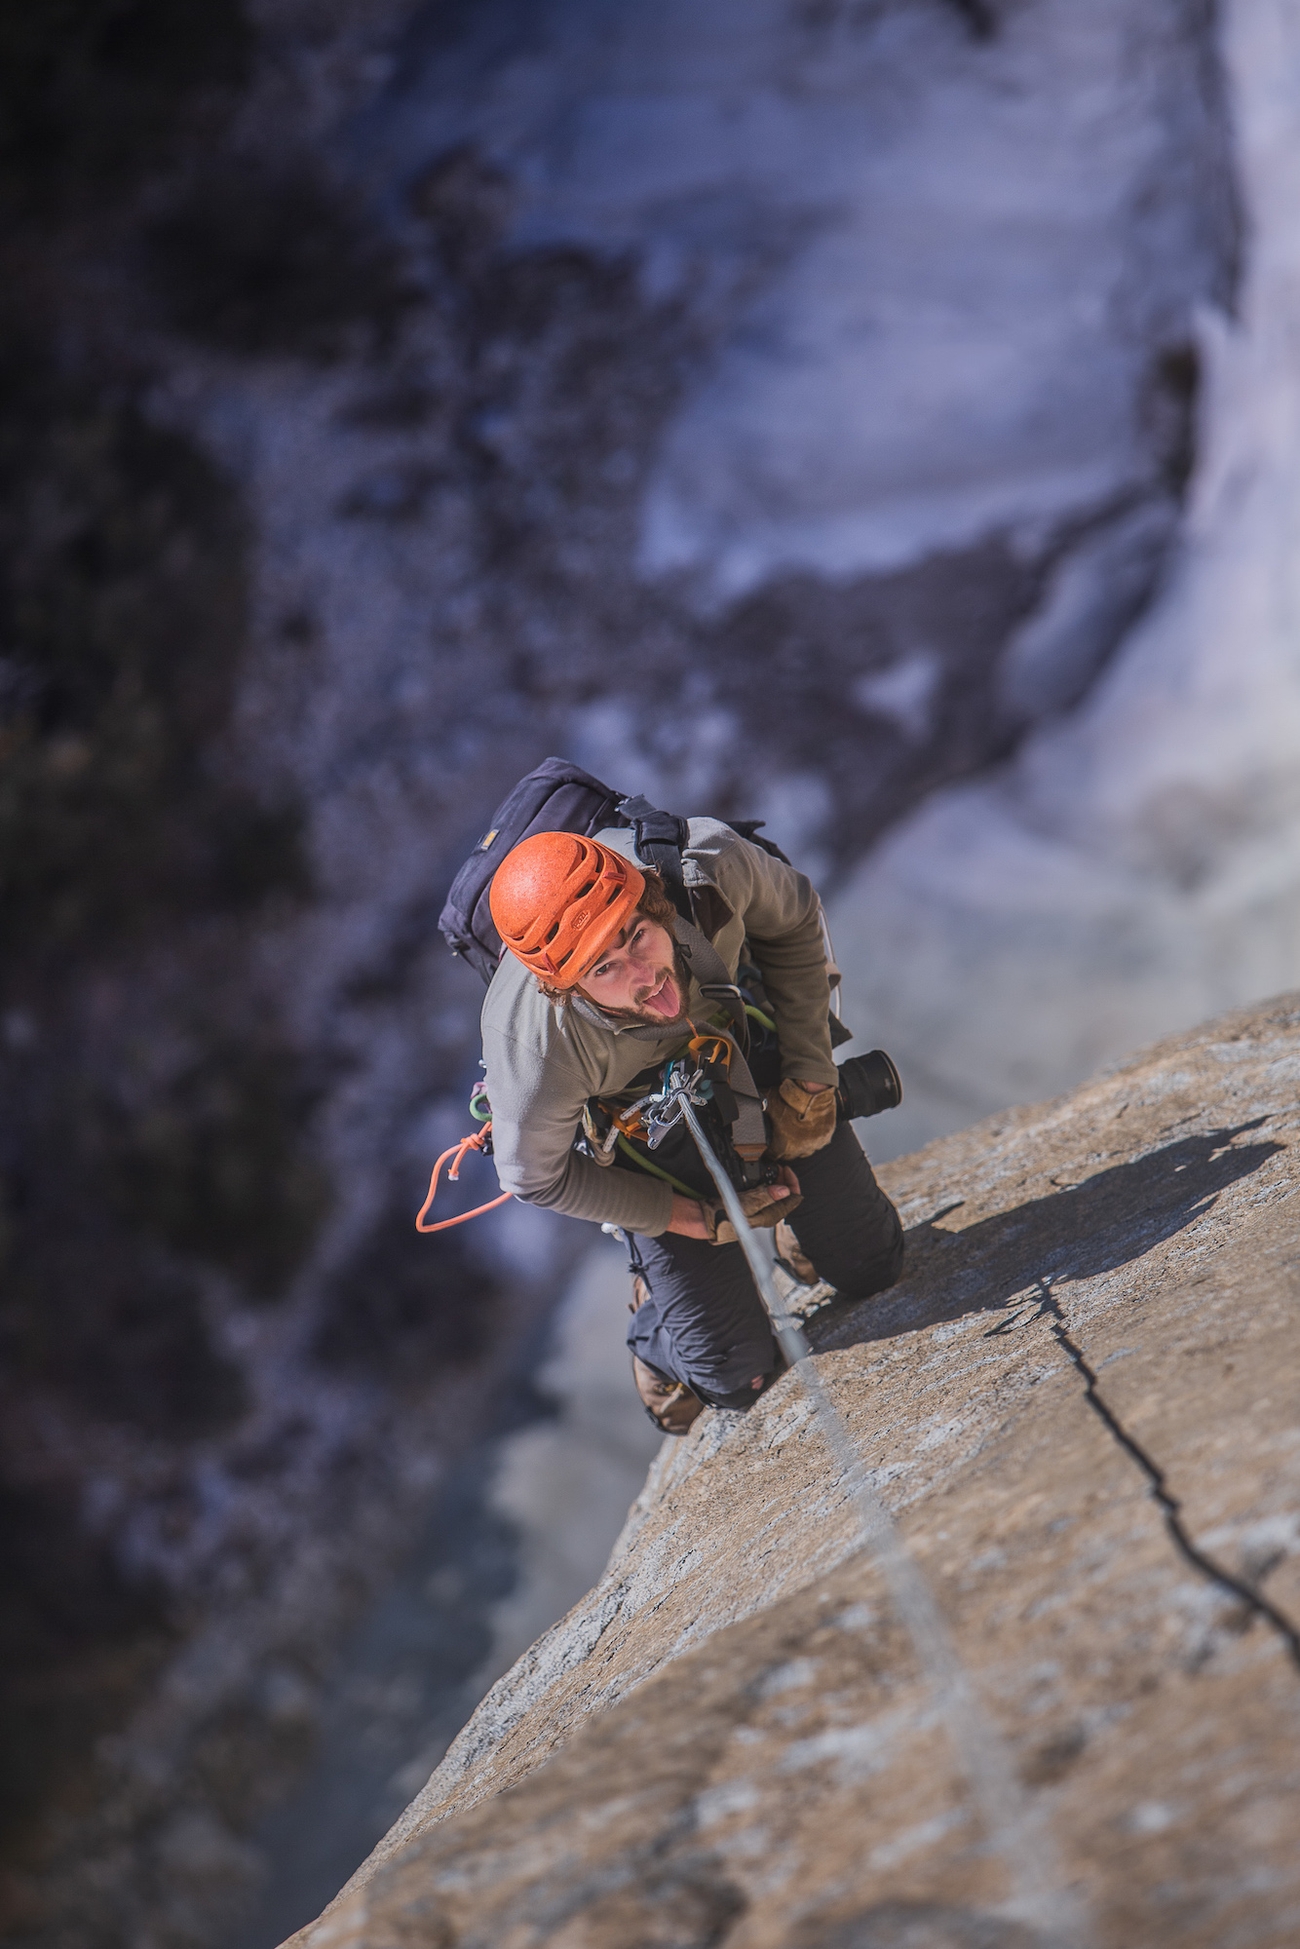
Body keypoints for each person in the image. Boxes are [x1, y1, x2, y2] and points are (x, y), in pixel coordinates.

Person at [480, 818, 904, 1433]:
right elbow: (535, 1178)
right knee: (737, 1377)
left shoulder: (707, 866)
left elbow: (794, 918)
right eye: (603, 969)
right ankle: (657, 1317)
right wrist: (688, 1220)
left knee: (874, 1266)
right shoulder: (535, 1047)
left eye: (636, 934)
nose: (642, 975)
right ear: (562, 990)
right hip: (646, 1147)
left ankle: (804, 1230)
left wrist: (810, 1081)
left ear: (653, 899)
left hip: (752, 1067)